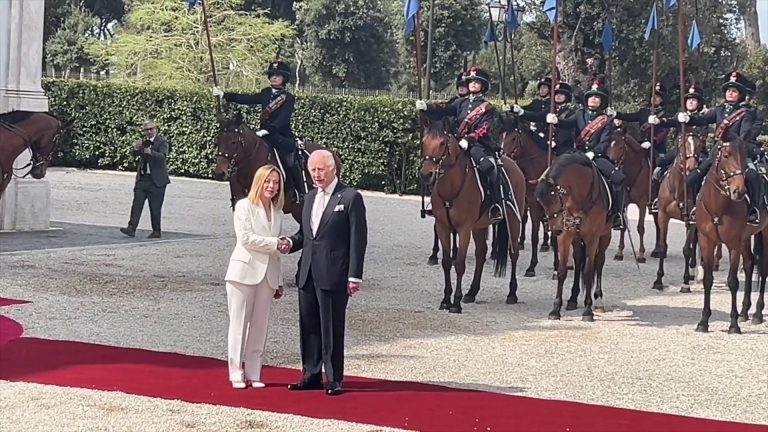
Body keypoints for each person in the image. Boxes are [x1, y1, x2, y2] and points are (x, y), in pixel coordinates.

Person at [281, 149, 368, 396]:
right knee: (308, 326)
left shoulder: (350, 197)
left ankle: (333, 377)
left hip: (334, 272)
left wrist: (354, 275)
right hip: (307, 271)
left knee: (331, 327)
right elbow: (306, 235)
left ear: (333, 169)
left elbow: (358, 239)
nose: (316, 175)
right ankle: (310, 374)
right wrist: (290, 242)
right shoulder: (309, 198)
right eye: (312, 171)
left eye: (321, 170)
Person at [224, 164, 288, 389]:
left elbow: (277, 255)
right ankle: (236, 372)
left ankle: (254, 371)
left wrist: (279, 281)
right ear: (259, 182)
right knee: (239, 324)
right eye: (268, 181)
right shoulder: (244, 206)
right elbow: (246, 238)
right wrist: (275, 243)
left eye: (276, 182)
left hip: (267, 276)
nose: (272, 186)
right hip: (243, 272)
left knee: (260, 326)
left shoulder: (278, 213)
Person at [415, 66, 504, 221]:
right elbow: (444, 109)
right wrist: (427, 106)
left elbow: (484, 128)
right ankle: (436, 202)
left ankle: (495, 205)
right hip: (457, 144)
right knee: (439, 164)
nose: (473, 85)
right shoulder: (460, 103)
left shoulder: (487, 107)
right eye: (471, 82)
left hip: (478, 145)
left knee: (490, 168)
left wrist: (469, 139)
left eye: (477, 82)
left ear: (483, 86)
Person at [213, 59, 306, 202]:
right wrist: (225, 95)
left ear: (284, 78)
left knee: (290, 161)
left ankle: (299, 193)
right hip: (263, 137)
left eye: (277, 75)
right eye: (272, 74)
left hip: (281, 137)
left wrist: (268, 130)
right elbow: (247, 99)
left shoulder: (288, 98)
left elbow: (283, 120)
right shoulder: (265, 93)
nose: (274, 77)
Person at [678, 70, 761, 224]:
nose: (730, 93)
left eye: (734, 91)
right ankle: (696, 206)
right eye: (728, 90)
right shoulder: (718, 110)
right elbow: (702, 120)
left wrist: (730, 139)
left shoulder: (745, 113)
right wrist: (688, 118)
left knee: (753, 176)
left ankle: (754, 209)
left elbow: (744, 135)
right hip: (718, 153)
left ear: (740, 95)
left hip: (737, 154)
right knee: (694, 176)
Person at [545, 79, 625, 230]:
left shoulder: (606, 120)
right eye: (591, 96)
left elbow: (605, 142)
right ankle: (554, 212)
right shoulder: (579, 114)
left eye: (597, 97)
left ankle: (617, 214)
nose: (593, 99)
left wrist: (593, 153)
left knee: (618, 178)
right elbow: (568, 124)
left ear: (601, 101)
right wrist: (556, 121)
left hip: (597, 156)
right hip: (577, 155)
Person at [647, 84, 710, 214]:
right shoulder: (680, 115)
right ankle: (656, 198)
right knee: (658, 167)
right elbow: (669, 121)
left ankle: (697, 201)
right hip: (680, 151)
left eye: (694, 100)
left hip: (697, 153)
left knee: (702, 174)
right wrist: (658, 121)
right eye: (688, 100)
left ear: (698, 103)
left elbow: (703, 137)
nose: (690, 102)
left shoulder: (703, 117)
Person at [120, 120, 170, 238]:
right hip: (143, 178)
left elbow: (162, 157)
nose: (149, 132)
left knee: (155, 207)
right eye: (146, 130)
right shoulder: (143, 142)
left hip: (157, 181)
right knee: (137, 203)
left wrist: (151, 152)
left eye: (151, 129)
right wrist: (137, 149)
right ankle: (131, 227)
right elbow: (135, 154)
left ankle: (156, 230)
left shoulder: (162, 142)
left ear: (156, 129)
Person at [505, 80, 578, 156]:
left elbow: (567, 131)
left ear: (567, 96)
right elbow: (537, 116)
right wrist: (521, 112)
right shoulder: (551, 109)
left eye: (561, 94)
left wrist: (556, 142)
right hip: (547, 144)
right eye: (556, 94)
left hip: (563, 147)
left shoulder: (571, 112)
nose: (558, 96)